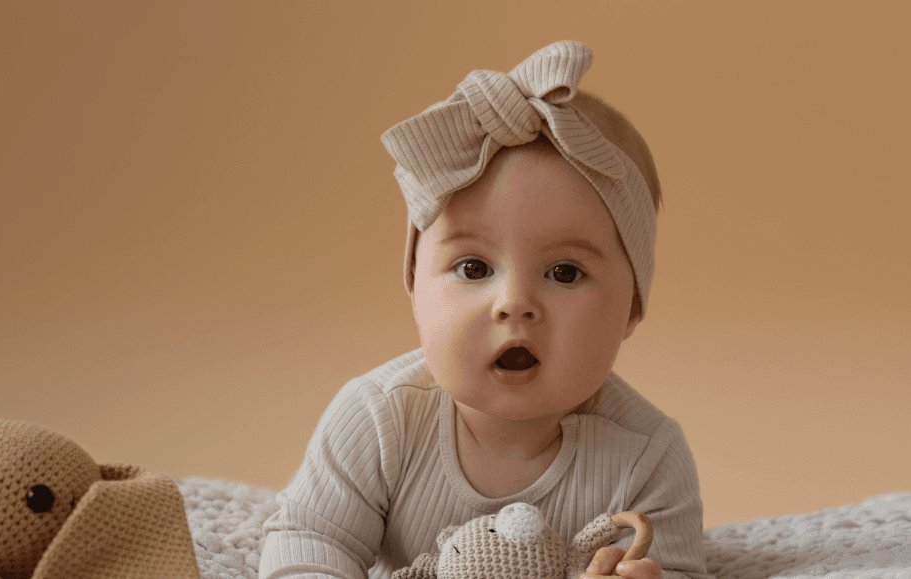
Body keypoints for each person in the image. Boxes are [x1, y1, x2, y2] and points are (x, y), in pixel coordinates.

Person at [260, 41, 710, 579]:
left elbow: (678, 567)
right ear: (413, 283)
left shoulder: (647, 456)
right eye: (473, 269)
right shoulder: (378, 420)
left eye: (565, 272)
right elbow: (308, 540)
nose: (514, 304)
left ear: (631, 309)